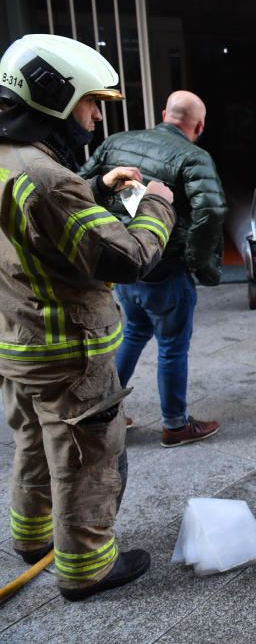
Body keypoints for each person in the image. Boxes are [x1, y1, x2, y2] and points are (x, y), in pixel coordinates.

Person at [0, 34, 176, 600]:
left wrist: (95, 187)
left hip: (19, 340)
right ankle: (86, 567)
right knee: (84, 457)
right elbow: (125, 258)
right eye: (91, 102)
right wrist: (156, 203)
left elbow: (37, 230)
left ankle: (31, 539)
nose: (96, 118)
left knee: (31, 439)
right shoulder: (48, 179)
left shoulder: (12, 162)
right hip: (69, 349)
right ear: (55, 97)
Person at [79, 90, 227, 447]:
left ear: (164, 113)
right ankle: (175, 426)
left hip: (123, 263)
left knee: (134, 333)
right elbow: (211, 211)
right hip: (165, 266)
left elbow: (80, 185)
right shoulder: (194, 156)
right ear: (200, 125)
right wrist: (199, 263)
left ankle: (104, 413)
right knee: (172, 347)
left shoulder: (116, 142)